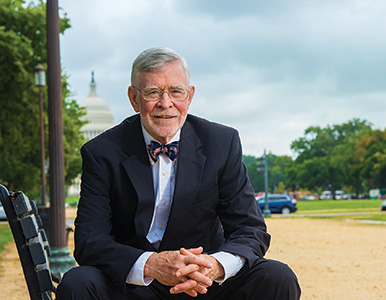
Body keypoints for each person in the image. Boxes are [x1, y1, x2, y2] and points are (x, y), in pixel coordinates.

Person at [57, 47, 301, 299]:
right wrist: (151, 264)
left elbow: (250, 229)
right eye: (153, 92)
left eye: (176, 91)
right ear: (134, 98)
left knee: (277, 276)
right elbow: (90, 240)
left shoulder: (222, 142)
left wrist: (214, 266)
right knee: (78, 283)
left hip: (205, 283)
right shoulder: (102, 152)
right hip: (136, 287)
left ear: (189, 96)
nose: (166, 104)